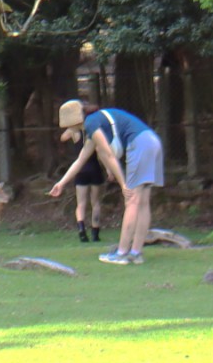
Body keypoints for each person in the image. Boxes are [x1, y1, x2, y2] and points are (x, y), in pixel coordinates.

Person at [47, 99, 162, 266]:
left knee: (132, 201)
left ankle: (122, 253)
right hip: (152, 142)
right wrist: (61, 183)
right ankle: (136, 253)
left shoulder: (91, 123)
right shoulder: (95, 123)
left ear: (74, 121)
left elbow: (108, 155)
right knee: (142, 202)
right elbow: (80, 160)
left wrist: (123, 184)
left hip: (140, 145)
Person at [70, 143, 106, 243]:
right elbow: (100, 153)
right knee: (95, 203)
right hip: (95, 169)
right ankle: (95, 232)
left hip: (80, 170)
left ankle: (81, 229)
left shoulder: (75, 133)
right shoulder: (94, 135)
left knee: (81, 204)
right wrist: (108, 169)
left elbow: (63, 137)